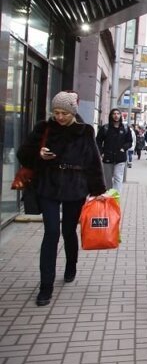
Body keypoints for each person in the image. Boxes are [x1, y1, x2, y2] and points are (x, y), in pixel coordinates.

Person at [17, 91, 106, 306]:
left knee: (68, 230)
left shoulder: (85, 131)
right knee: (51, 233)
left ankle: (71, 265)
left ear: (72, 112)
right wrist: (39, 154)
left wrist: (98, 191)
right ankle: (45, 286)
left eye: (64, 113)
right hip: (48, 185)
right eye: (56, 112)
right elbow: (23, 153)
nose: (59, 117)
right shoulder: (44, 128)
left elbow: (94, 161)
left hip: (75, 187)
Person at [96, 108, 132, 192]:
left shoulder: (125, 128)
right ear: (111, 116)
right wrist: (101, 153)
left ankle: (116, 198)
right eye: (114, 114)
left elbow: (129, 141)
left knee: (118, 178)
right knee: (107, 180)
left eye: (118, 114)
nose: (116, 115)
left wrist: (124, 148)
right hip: (107, 157)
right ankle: (109, 197)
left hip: (120, 158)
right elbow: (98, 141)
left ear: (120, 116)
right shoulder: (105, 128)